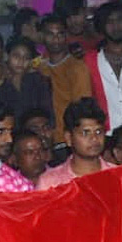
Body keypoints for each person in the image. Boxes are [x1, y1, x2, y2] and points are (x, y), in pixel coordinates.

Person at [38, 14, 94, 147]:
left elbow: (81, 108)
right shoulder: (40, 67)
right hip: (45, 141)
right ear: (42, 37)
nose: (56, 39)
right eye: (50, 34)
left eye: (60, 34)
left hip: (69, 140)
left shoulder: (77, 67)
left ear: (66, 36)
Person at [84, 0, 122, 130]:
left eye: (120, 20)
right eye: (109, 21)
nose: (116, 26)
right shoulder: (89, 59)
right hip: (107, 132)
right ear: (101, 26)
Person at [38, 98, 115, 189]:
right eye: (85, 133)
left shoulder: (118, 176)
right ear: (69, 138)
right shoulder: (50, 182)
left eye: (98, 132)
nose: (94, 138)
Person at [0, 35, 54, 124]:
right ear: (7, 56)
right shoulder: (2, 88)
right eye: (16, 56)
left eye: (26, 57)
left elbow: (49, 116)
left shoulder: (40, 81)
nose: (21, 61)